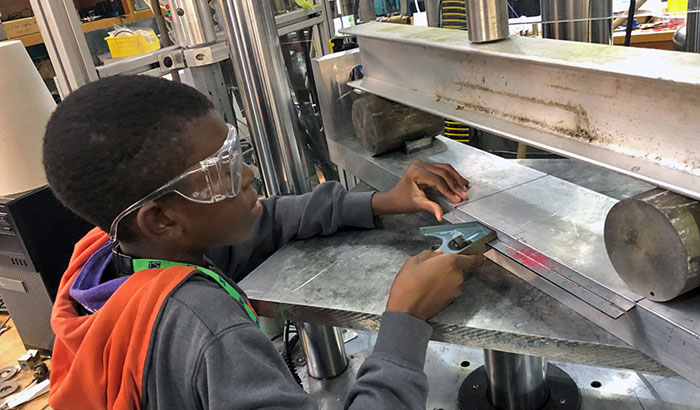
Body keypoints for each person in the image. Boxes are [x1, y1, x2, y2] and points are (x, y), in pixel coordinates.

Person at [42, 75, 484, 410]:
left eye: (235, 153)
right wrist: (406, 318)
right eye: (221, 172)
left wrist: (380, 202)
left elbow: (268, 218)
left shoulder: (109, 257)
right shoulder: (212, 330)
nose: (249, 175)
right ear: (160, 219)